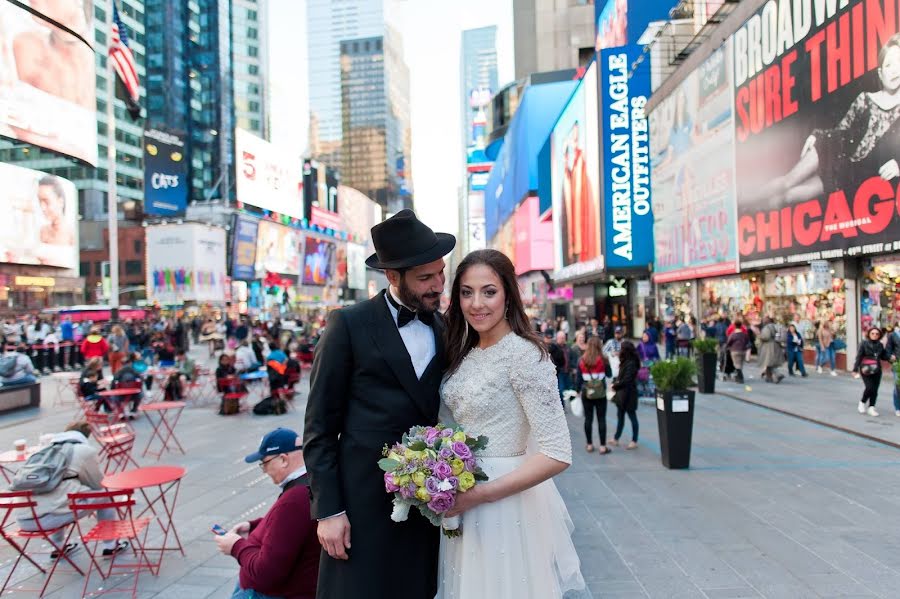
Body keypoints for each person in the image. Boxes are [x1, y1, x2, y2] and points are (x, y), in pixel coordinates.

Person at [303, 210, 455, 598]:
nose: (438, 285)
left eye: (441, 273)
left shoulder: (445, 328)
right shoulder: (348, 325)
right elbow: (319, 428)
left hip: (425, 507)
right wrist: (329, 511)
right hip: (360, 510)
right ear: (392, 277)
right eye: (425, 278)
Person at [439, 248, 586, 598]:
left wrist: (480, 495)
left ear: (508, 295)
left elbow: (557, 452)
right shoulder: (464, 351)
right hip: (462, 496)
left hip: (504, 502)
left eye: (489, 291)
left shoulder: (525, 356)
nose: (477, 303)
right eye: (466, 292)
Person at [748, 33, 900, 210]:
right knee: (786, 183)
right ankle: (742, 205)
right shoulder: (865, 98)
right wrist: (817, 136)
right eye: (889, 65)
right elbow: (842, 128)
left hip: (848, 173)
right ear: (880, 73)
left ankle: (748, 212)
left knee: (788, 197)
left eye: (898, 62)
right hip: (831, 148)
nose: (895, 70)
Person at [214, 428, 320, 599]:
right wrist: (255, 526)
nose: (265, 472)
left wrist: (236, 546)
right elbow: (292, 527)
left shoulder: (295, 498)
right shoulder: (311, 480)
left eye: (264, 464)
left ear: (283, 459)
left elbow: (267, 574)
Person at [15, 422, 126, 558]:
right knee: (104, 496)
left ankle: (59, 547)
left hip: (23, 520)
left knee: (60, 499)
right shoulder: (84, 450)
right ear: (86, 436)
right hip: (47, 520)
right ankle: (110, 545)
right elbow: (97, 484)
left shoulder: (42, 451)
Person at [853, 327, 895, 417]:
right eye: (873, 333)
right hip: (866, 369)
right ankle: (862, 402)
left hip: (877, 369)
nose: (875, 335)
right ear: (869, 334)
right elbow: (859, 356)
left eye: (877, 334)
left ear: (879, 335)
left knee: (875, 389)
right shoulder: (863, 344)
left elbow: (883, 355)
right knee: (869, 387)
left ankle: (871, 407)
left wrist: (890, 358)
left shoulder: (880, 345)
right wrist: (855, 369)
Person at [579, 337, 610, 455]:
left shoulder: (582, 360)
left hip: (587, 392)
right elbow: (609, 374)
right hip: (600, 393)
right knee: (601, 419)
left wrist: (577, 391)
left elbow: (578, 379)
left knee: (588, 418)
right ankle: (602, 446)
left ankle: (590, 444)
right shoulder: (604, 359)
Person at [610, 341, 640, 450]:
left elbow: (627, 380)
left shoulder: (631, 363)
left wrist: (616, 386)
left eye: (622, 349)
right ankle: (616, 438)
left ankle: (634, 440)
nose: (620, 351)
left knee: (632, 417)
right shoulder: (625, 361)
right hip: (622, 394)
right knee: (620, 417)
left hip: (629, 394)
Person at [112, 352, 144, 417]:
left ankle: (120, 411)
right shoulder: (135, 371)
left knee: (114, 396)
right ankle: (134, 410)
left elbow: (113, 385)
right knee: (140, 393)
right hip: (135, 395)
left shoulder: (119, 372)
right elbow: (141, 382)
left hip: (120, 395)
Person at [757, 317, 785, 383]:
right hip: (776, 345)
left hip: (768, 347)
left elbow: (766, 337)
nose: (762, 321)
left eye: (763, 320)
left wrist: (759, 335)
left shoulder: (767, 327)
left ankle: (778, 374)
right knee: (769, 362)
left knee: (769, 362)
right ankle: (768, 377)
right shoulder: (776, 326)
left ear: (766, 321)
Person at [725, 319, 751, 384]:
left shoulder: (733, 335)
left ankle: (740, 378)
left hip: (734, 350)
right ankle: (738, 376)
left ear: (734, 326)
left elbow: (728, 343)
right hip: (743, 350)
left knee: (736, 364)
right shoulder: (744, 334)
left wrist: (727, 347)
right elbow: (747, 341)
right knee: (741, 364)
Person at [548, 331, 571, 404]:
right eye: (561, 338)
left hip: (567, 371)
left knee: (569, 388)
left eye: (564, 338)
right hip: (559, 371)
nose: (562, 339)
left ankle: (573, 405)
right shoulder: (554, 348)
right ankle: (562, 405)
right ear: (557, 338)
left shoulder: (567, 347)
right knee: (561, 389)